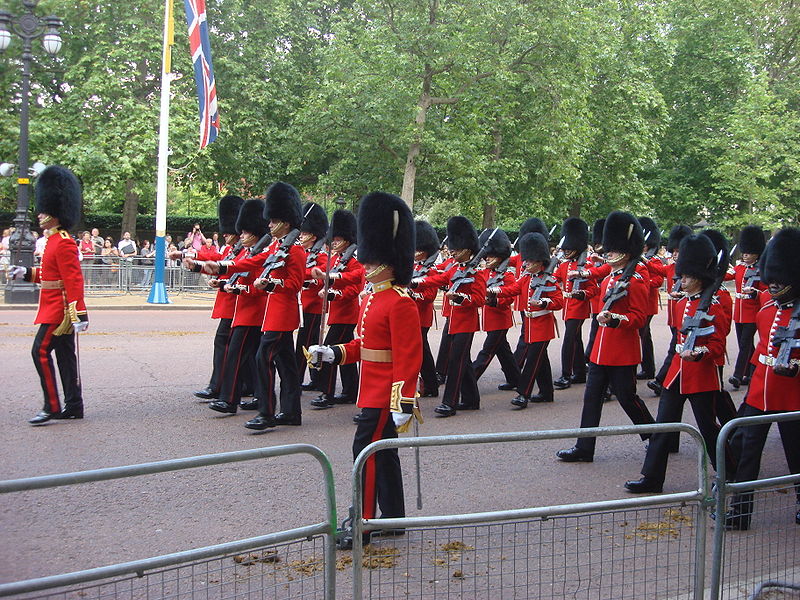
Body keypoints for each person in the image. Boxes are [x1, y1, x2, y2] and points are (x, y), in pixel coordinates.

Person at [308, 191, 421, 549]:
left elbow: (408, 357)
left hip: (386, 395)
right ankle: (393, 518)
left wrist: (404, 402)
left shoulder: (401, 302)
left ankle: (365, 522)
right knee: (383, 454)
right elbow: (363, 345)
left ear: (389, 262)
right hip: (370, 391)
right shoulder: (371, 297)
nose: (365, 264)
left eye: (372, 260)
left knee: (366, 454)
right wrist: (333, 352)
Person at [624, 233, 733, 493]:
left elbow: (718, 344)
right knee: (664, 426)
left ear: (700, 276)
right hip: (677, 373)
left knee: (707, 428)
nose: (680, 280)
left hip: (701, 374)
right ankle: (652, 478)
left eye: (686, 276)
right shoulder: (685, 301)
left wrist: (699, 353)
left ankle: (731, 472)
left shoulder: (714, 304)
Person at [557, 211, 655, 462]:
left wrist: (615, 320)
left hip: (622, 352)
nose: (607, 253)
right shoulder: (612, 277)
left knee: (627, 398)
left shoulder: (637, 280)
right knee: (591, 399)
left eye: (612, 250)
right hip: (601, 350)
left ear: (626, 250)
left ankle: (654, 437)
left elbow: (639, 319)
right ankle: (584, 447)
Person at [725, 227, 800, 530]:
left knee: (796, 455)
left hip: (792, 393)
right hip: (760, 392)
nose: (775, 285)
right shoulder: (766, 311)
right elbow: (759, 354)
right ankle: (740, 513)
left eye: (782, 280)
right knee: (746, 453)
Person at [7, 166, 88, 425]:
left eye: (44, 210)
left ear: (56, 213)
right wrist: (26, 273)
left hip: (60, 311)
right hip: (53, 306)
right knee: (65, 356)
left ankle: (52, 406)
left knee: (39, 352)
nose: (40, 214)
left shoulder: (63, 241)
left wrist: (79, 313)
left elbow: (73, 280)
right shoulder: (52, 240)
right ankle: (74, 405)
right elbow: (50, 275)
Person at [493, 232, 562, 406]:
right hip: (531, 325)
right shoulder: (526, 278)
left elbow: (559, 302)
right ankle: (547, 392)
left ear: (539, 261)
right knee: (541, 360)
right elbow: (513, 289)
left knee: (532, 361)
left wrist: (544, 302)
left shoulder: (549, 281)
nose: (525, 264)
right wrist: (496, 291)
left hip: (543, 326)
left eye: (529, 261)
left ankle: (523, 394)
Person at [192, 195, 248, 401]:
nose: (225, 234)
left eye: (229, 230)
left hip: (238, 303)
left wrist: (224, 283)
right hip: (230, 302)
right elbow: (217, 260)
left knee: (227, 345)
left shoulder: (245, 251)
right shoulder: (232, 249)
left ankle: (220, 386)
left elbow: (231, 267)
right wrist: (191, 259)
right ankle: (238, 385)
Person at [430, 216, 486, 417]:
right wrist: (417, 282)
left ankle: (450, 402)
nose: (452, 251)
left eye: (456, 248)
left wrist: (462, 298)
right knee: (464, 361)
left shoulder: (477, 272)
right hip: (453, 321)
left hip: (466, 323)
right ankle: (471, 399)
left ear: (468, 249)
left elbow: (479, 299)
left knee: (456, 361)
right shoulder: (455, 268)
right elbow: (439, 279)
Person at [309, 209, 364, 409]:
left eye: (338, 239)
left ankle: (327, 392)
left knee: (329, 351)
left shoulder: (354, 260)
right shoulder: (338, 259)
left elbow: (356, 284)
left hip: (347, 313)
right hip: (338, 313)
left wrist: (333, 292)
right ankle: (350, 390)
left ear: (347, 240)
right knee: (344, 353)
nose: (334, 242)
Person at [552, 217, 598, 390]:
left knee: (569, 340)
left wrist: (582, 294)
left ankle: (566, 375)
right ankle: (579, 372)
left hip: (579, 308)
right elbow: (554, 280)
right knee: (576, 340)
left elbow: (594, 289)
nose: (566, 251)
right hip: (567, 307)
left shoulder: (586, 264)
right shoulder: (565, 265)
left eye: (569, 248)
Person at [472, 229, 520, 391]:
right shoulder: (485, 272)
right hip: (489, 320)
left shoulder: (507, 275)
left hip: (500, 320)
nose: (487, 259)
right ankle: (516, 379)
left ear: (500, 257)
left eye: (490, 256)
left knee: (486, 353)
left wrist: (494, 301)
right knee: (503, 351)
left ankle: (469, 379)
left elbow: (509, 297)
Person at [730, 225, 768, 389]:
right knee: (744, 344)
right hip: (739, 312)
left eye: (749, 253)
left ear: (757, 254)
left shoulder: (762, 270)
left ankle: (738, 375)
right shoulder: (739, 268)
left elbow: (767, 291)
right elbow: (725, 276)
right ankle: (752, 373)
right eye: (744, 253)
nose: (745, 256)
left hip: (753, 313)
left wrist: (755, 293)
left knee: (745, 344)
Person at [296, 202, 329, 392]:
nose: (301, 237)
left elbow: (321, 274)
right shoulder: (306, 253)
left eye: (304, 234)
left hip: (315, 306)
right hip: (304, 305)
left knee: (308, 343)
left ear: (313, 236)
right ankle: (314, 378)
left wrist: (305, 275)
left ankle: (301, 378)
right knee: (308, 343)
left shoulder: (321, 256)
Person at [409, 219, 443, 398]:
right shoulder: (413, 267)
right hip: (411, 316)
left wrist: (413, 294)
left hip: (422, 316)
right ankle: (429, 383)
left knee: (423, 352)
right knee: (420, 351)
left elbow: (429, 296)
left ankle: (431, 384)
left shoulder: (431, 270)